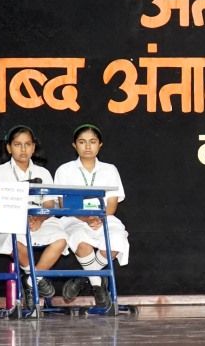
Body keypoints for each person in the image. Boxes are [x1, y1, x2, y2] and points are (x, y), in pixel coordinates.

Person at [0, 125, 68, 308]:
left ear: (33, 147)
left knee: (61, 239)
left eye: (27, 144)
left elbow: (49, 203)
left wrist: (40, 218)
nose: (23, 149)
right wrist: (20, 217)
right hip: (10, 219)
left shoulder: (43, 173)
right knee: (13, 242)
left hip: (38, 219)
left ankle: (32, 280)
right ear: (9, 148)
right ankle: (36, 277)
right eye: (17, 144)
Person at [53, 124, 128, 309]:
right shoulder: (65, 170)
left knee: (116, 240)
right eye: (82, 142)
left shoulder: (110, 169)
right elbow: (63, 204)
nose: (87, 146)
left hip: (104, 217)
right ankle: (98, 285)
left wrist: (99, 218)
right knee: (81, 242)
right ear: (74, 145)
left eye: (92, 142)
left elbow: (112, 203)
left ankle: (83, 278)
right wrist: (86, 218)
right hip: (74, 218)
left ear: (100, 145)